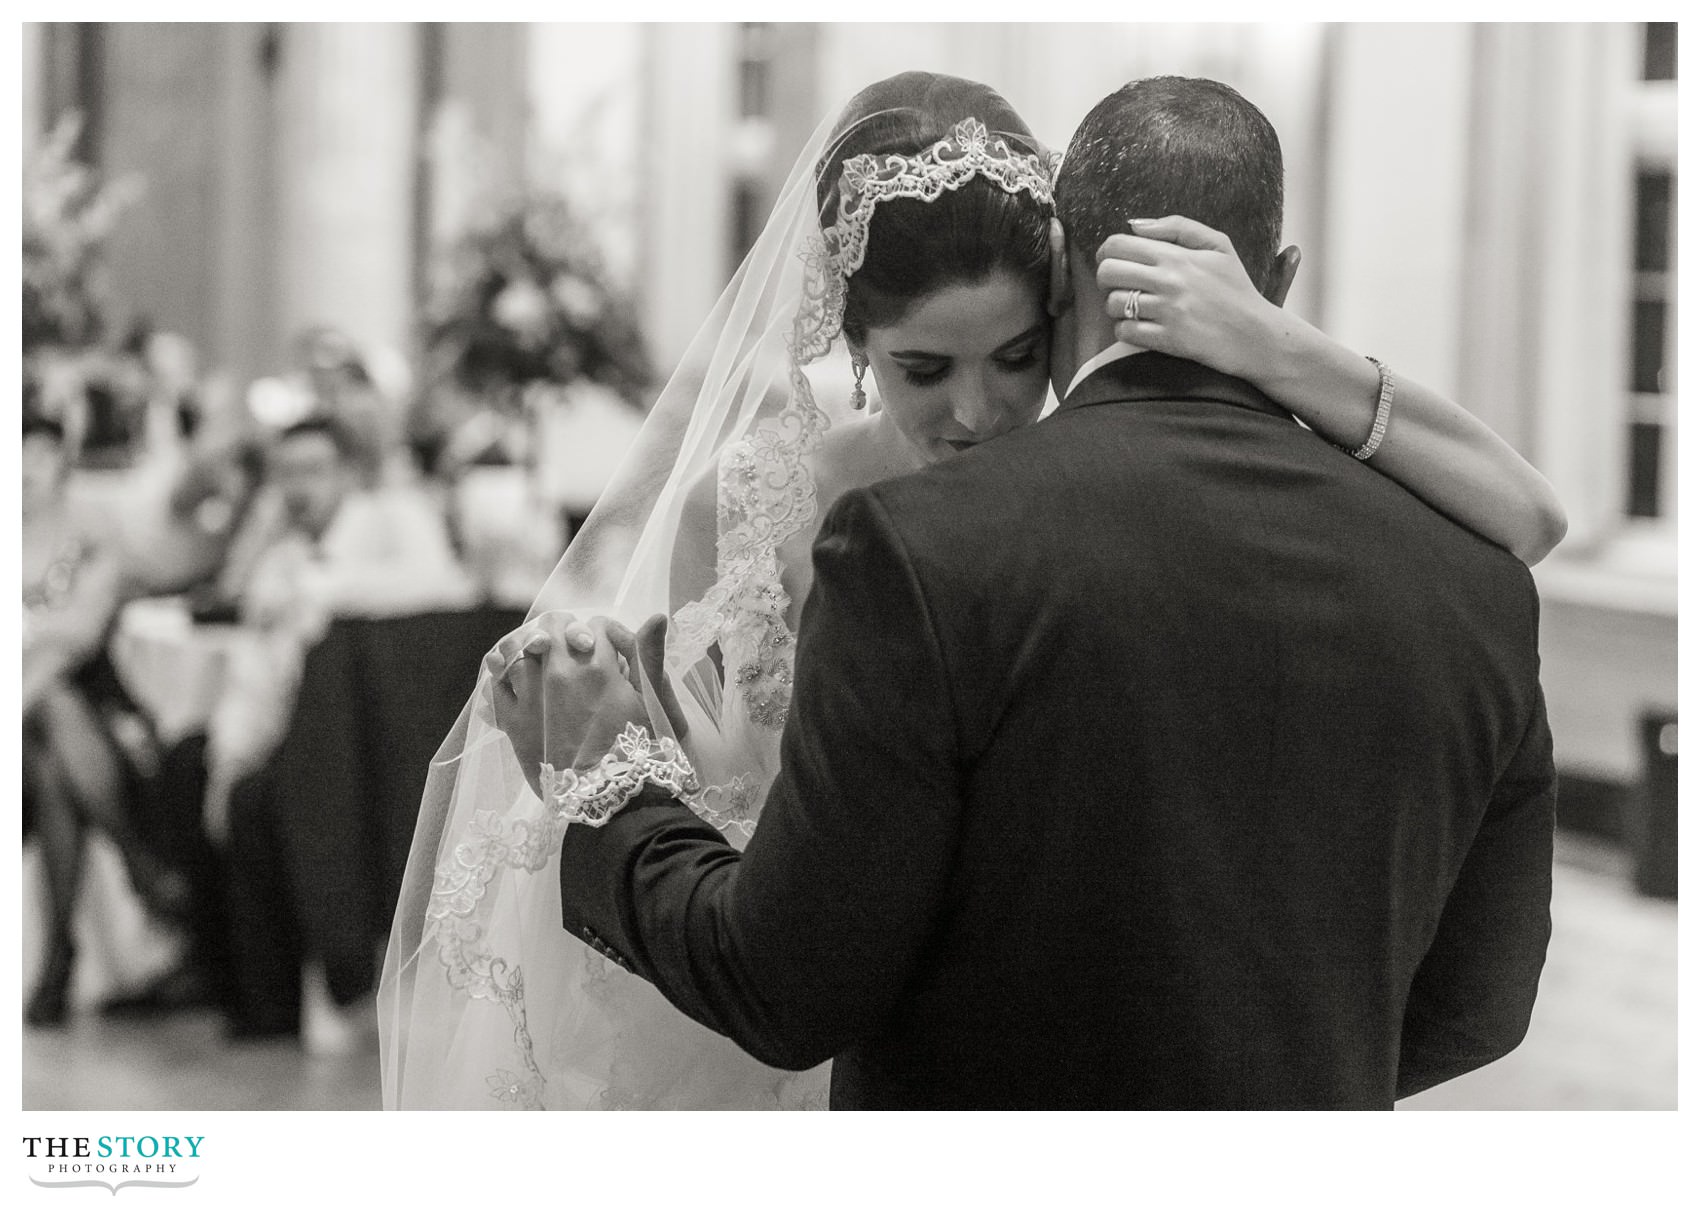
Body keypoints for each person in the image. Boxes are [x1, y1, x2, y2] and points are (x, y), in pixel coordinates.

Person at [380, 71, 1562, 1109]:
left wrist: (607, 775)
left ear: (1065, 283)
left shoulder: (924, 553)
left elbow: (787, 978)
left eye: (1012, 356)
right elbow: (1477, 1006)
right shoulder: (1472, 574)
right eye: (925, 370)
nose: (978, 412)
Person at [23, 410, 187, 1026]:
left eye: (38, 455)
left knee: (52, 752)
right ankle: (140, 863)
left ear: (60, 460)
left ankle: (60, 956)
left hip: (75, 714)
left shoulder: (92, 533)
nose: (26, 471)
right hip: (50, 716)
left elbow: (77, 636)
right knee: (51, 719)